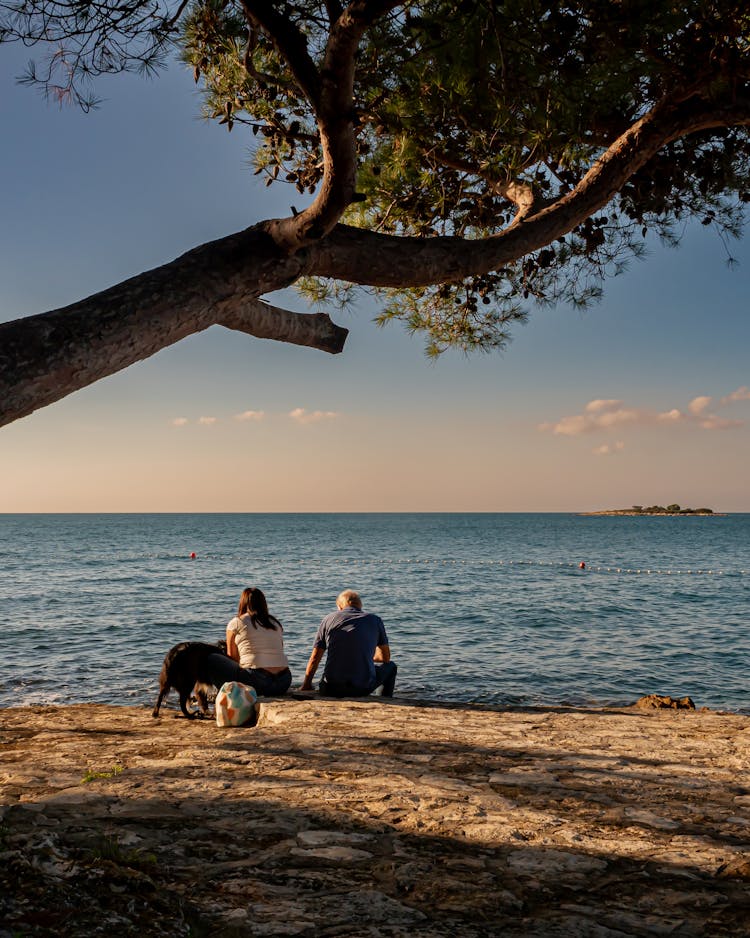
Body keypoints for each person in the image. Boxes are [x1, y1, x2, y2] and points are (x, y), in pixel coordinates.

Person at [299, 589, 397, 697]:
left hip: (330, 688)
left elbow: (315, 658)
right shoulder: (375, 620)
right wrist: (364, 656)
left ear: (340, 607)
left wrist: (306, 685)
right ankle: (383, 699)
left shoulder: (328, 619)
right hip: (361, 689)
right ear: (360, 606)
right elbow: (385, 658)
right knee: (390, 667)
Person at [206, 587, 292, 697]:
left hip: (258, 683)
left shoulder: (237, 622)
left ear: (243, 603)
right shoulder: (275, 623)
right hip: (283, 682)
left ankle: (227, 695)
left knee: (212, 659)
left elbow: (232, 658)